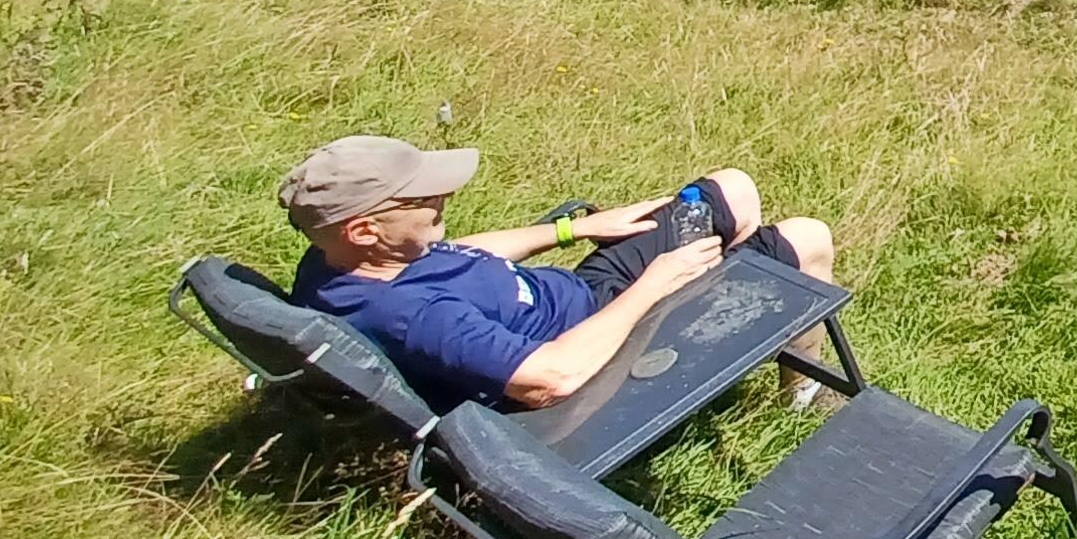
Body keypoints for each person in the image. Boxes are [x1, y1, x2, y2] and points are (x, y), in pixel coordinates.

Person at [279, 136, 837, 411]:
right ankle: (796, 396)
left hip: (588, 294)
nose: (444, 197)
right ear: (365, 230)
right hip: (611, 335)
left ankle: (729, 320)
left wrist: (578, 230)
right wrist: (658, 283)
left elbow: (462, 252)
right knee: (810, 239)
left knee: (731, 188)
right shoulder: (417, 318)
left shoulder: (337, 263)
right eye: (424, 198)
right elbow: (550, 379)